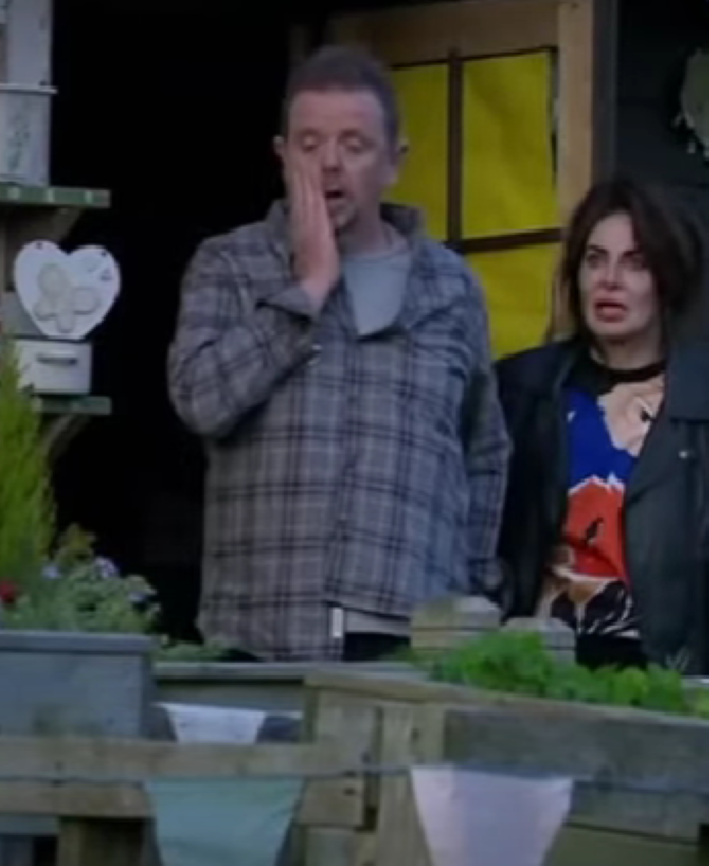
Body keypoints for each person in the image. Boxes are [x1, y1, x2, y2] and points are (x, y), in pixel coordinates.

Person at [166, 45, 509, 663]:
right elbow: (201, 401)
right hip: (262, 629)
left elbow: (482, 453)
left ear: (393, 162)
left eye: (353, 146)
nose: (329, 165)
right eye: (309, 144)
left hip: (410, 628)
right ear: (281, 155)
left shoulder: (453, 287)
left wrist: (472, 595)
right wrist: (308, 287)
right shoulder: (230, 265)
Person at [495, 177, 709, 674]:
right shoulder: (523, 387)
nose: (610, 280)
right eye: (595, 259)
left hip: (661, 675)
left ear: (669, 278)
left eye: (636, 263)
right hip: (534, 664)